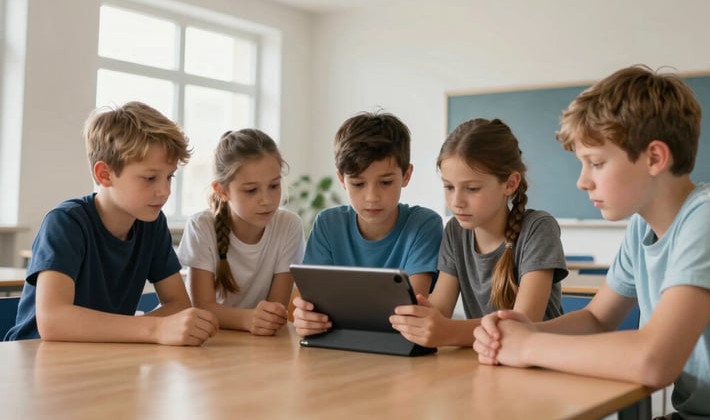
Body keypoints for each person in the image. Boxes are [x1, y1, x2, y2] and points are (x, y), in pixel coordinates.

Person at [473, 66, 710, 419]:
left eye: (595, 163)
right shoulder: (641, 227)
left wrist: (528, 347)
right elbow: (598, 319)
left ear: (655, 158)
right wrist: (518, 332)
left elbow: (654, 361)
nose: (583, 181)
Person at [5, 102, 218, 344]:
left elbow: (179, 303)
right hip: (36, 359)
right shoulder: (66, 223)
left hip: (104, 357)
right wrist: (154, 329)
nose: (164, 191)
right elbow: (53, 320)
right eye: (150, 178)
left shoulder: (152, 223)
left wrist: (153, 328)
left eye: (169, 177)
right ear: (104, 174)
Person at [389, 118, 568, 348]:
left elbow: (523, 324)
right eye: (449, 187)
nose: (456, 202)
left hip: (540, 364)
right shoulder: (455, 231)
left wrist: (448, 331)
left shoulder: (538, 228)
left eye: (472, 189)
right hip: (487, 360)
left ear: (510, 183)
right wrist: (410, 317)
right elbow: (440, 309)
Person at [292, 111, 444, 337]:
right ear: (342, 179)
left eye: (385, 182)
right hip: (335, 350)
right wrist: (305, 318)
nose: (372, 197)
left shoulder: (424, 224)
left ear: (406, 175)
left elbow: (410, 311)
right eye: (358, 183)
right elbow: (309, 302)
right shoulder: (328, 223)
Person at [177, 129, 305, 335]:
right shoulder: (201, 227)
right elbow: (201, 307)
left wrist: (260, 320)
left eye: (274, 185)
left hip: (257, 341)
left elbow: (275, 311)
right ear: (222, 191)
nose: (267, 200)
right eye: (251, 190)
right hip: (208, 340)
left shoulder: (289, 225)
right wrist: (248, 319)